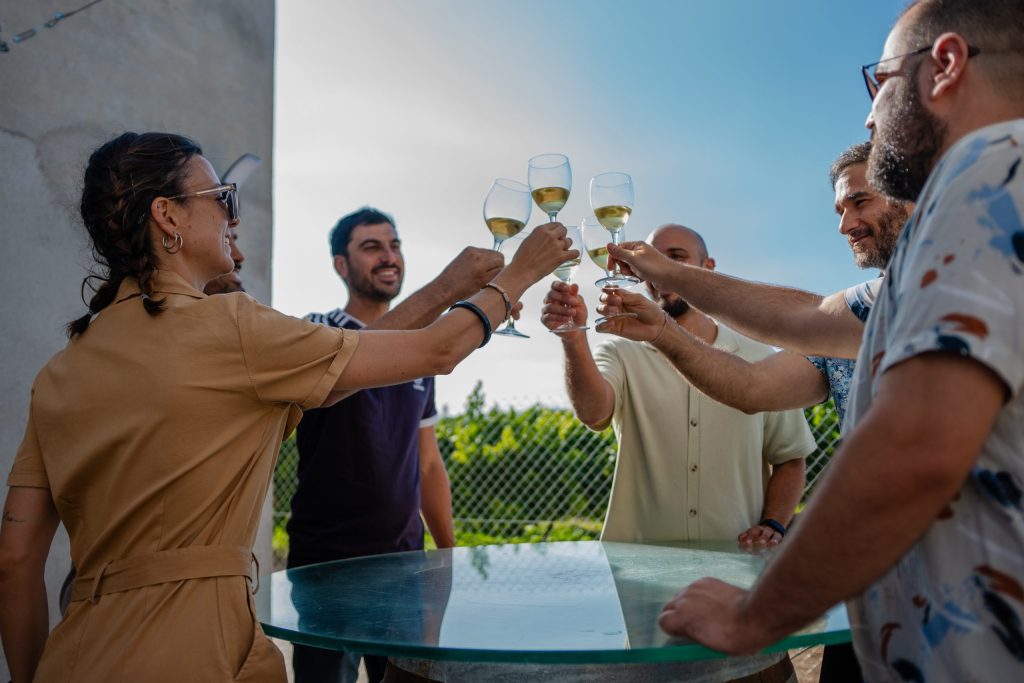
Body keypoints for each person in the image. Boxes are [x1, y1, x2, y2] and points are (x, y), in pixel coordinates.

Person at [0, 131, 574, 683]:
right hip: (193, 653)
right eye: (222, 198)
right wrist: (521, 272)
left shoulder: (60, 371)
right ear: (167, 216)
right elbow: (439, 350)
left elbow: (16, 561)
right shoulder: (234, 329)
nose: (234, 216)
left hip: (75, 654)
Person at [630, 1, 1024, 680]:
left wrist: (751, 616)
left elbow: (916, 445)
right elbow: (811, 315)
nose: (870, 117)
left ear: (948, 64)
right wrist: (667, 279)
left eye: (881, 81)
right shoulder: (971, 223)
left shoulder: (987, 166)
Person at [596, 142, 911, 683]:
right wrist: (663, 332)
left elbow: (805, 316)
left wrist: (763, 610)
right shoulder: (864, 308)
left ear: (912, 195)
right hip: (872, 597)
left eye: (860, 202)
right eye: (839, 209)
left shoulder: (963, 287)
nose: (845, 224)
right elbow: (751, 385)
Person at [287, 207, 503, 683]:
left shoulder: (420, 353)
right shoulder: (318, 330)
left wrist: (447, 554)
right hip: (327, 568)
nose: (389, 257)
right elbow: (354, 351)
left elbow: (428, 464)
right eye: (371, 247)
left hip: (404, 567)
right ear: (341, 266)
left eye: (395, 245)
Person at [541, 224, 816, 548]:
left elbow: (790, 457)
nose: (661, 270)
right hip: (637, 569)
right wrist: (573, 340)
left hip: (737, 566)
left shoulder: (759, 355)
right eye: (651, 260)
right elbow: (593, 413)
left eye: (675, 258)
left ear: (708, 268)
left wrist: (773, 523)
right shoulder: (620, 350)